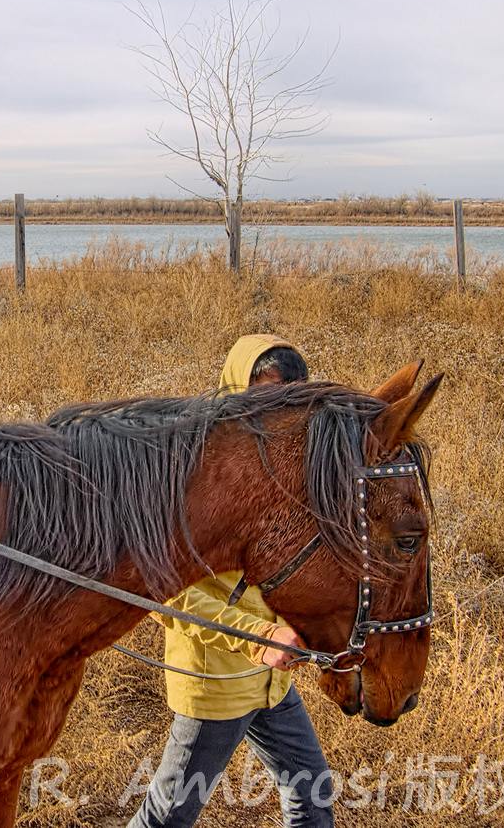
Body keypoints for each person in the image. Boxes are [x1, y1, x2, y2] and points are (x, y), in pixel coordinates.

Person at [128, 335, 334, 827]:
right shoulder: (194, 475)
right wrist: (261, 638)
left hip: (271, 684)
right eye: (260, 400)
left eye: (287, 401)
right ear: (234, 392)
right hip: (216, 684)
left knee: (312, 797)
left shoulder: (287, 472)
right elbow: (169, 592)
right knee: (168, 816)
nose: (274, 415)